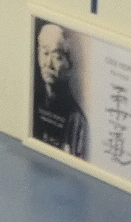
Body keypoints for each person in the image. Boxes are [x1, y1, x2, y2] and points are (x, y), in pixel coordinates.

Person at [33, 22, 89, 157]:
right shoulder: (34, 103)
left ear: (68, 64)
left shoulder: (77, 121)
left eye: (57, 57)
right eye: (45, 53)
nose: (48, 64)